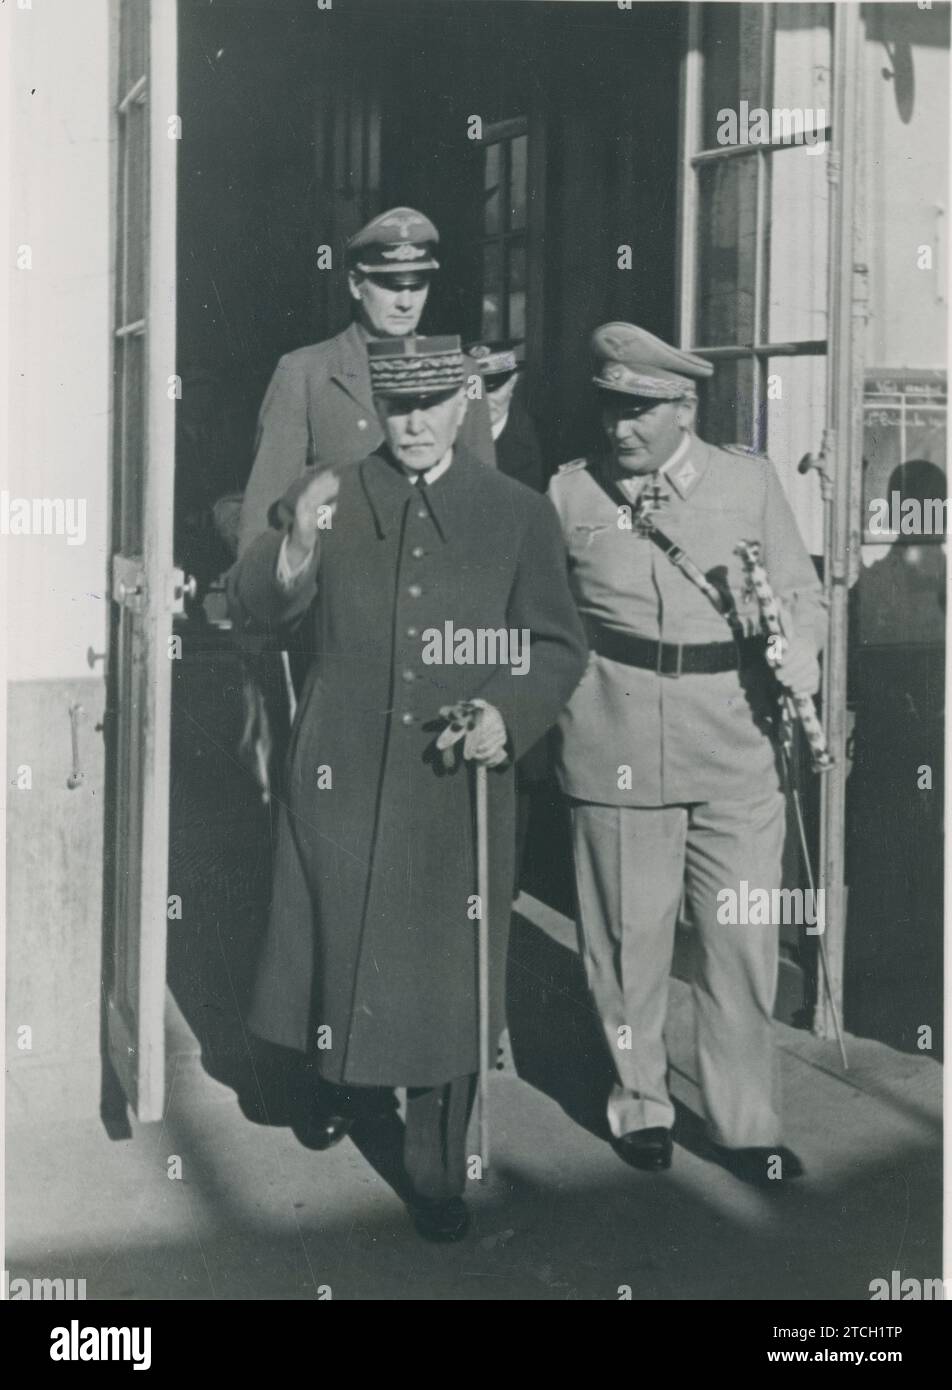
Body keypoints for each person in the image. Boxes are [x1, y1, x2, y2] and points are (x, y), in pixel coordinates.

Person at [228, 335, 587, 1241]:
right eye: (398, 407)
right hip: (340, 767)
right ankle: (330, 1078)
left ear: (465, 403)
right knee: (331, 938)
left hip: (450, 781)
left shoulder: (516, 512)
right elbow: (256, 608)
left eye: (434, 404)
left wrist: (511, 712)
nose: (417, 424)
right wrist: (296, 540)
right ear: (378, 409)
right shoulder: (336, 494)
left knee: (443, 970)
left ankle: (436, 1160)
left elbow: (555, 646)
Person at [549, 321, 826, 1185]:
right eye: (610, 409)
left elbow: (797, 589)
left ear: (684, 406)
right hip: (614, 737)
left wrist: (806, 647)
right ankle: (640, 1102)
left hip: (735, 741)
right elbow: (546, 621)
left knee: (739, 942)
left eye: (638, 410)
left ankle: (746, 1123)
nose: (619, 427)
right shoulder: (570, 496)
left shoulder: (745, 482)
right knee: (629, 942)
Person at [467, 338, 548, 892]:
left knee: (512, 748)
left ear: (513, 383)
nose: (484, 396)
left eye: (495, 385)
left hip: (512, 616)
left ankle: (504, 884)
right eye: (476, 385)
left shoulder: (528, 444)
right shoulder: (449, 433)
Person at [465, 339, 545, 494]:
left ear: (513, 381)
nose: (483, 400)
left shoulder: (543, 440)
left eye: (492, 389)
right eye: (474, 390)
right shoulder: (448, 438)